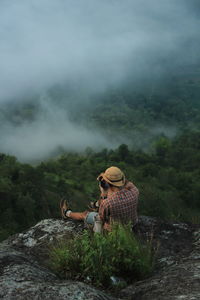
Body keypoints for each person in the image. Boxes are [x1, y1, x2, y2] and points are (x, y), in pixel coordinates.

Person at [60, 166, 139, 231]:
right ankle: (95, 205)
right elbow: (127, 183)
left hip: (113, 230)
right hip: (132, 224)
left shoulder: (107, 202)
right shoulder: (134, 191)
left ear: (107, 183)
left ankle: (66, 213)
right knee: (109, 196)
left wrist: (103, 192)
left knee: (85, 214)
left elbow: (100, 219)